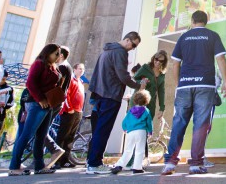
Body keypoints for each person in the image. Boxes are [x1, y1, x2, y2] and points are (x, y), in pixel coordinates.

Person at [161, 10, 226, 176]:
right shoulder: (212, 35)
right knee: (200, 125)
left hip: (185, 86)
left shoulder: (184, 37)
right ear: (206, 21)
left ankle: (170, 163)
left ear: (192, 21)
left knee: (179, 123)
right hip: (205, 85)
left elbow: (175, 64)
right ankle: (196, 165)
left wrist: (178, 84)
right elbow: (220, 58)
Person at [86, 31, 146, 174]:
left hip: (100, 94)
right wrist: (138, 86)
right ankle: (94, 164)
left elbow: (96, 73)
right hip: (111, 96)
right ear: (127, 40)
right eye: (133, 45)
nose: (132, 48)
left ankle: (91, 162)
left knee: (98, 130)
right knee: (103, 130)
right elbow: (122, 76)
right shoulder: (120, 52)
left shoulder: (107, 50)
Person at [8, 44, 61, 176]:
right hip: (37, 104)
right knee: (27, 134)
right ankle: (14, 166)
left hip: (48, 105)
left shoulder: (52, 66)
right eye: (56, 53)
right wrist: (40, 99)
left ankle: (39, 166)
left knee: (41, 136)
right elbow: (30, 83)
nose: (58, 56)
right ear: (47, 53)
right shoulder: (39, 64)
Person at [112, 90, 154, 175]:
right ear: (146, 100)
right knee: (139, 150)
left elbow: (125, 121)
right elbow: (149, 122)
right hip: (141, 131)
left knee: (128, 149)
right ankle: (137, 167)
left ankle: (119, 165)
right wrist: (150, 131)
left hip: (131, 132)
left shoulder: (131, 111)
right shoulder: (146, 111)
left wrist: (125, 128)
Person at [54, 62, 85, 168]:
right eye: (79, 68)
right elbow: (66, 95)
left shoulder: (80, 82)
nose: (81, 70)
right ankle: (57, 161)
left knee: (70, 137)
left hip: (78, 112)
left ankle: (65, 160)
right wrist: (70, 108)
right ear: (74, 70)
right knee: (63, 136)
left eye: (83, 69)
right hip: (69, 112)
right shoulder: (71, 80)